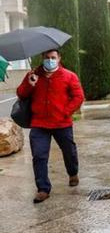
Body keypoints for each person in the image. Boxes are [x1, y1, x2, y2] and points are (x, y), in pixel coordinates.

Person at [16, 49, 85, 203]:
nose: (50, 60)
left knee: (69, 151)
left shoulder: (69, 76)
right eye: (47, 57)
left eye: (53, 57)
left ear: (59, 58)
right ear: (42, 58)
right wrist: (30, 84)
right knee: (39, 156)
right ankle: (43, 189)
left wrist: (65, 112)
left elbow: (78, 96)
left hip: (62, 122)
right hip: (39, 123)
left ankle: (73, 173)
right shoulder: (33, 75)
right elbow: (21, 94)